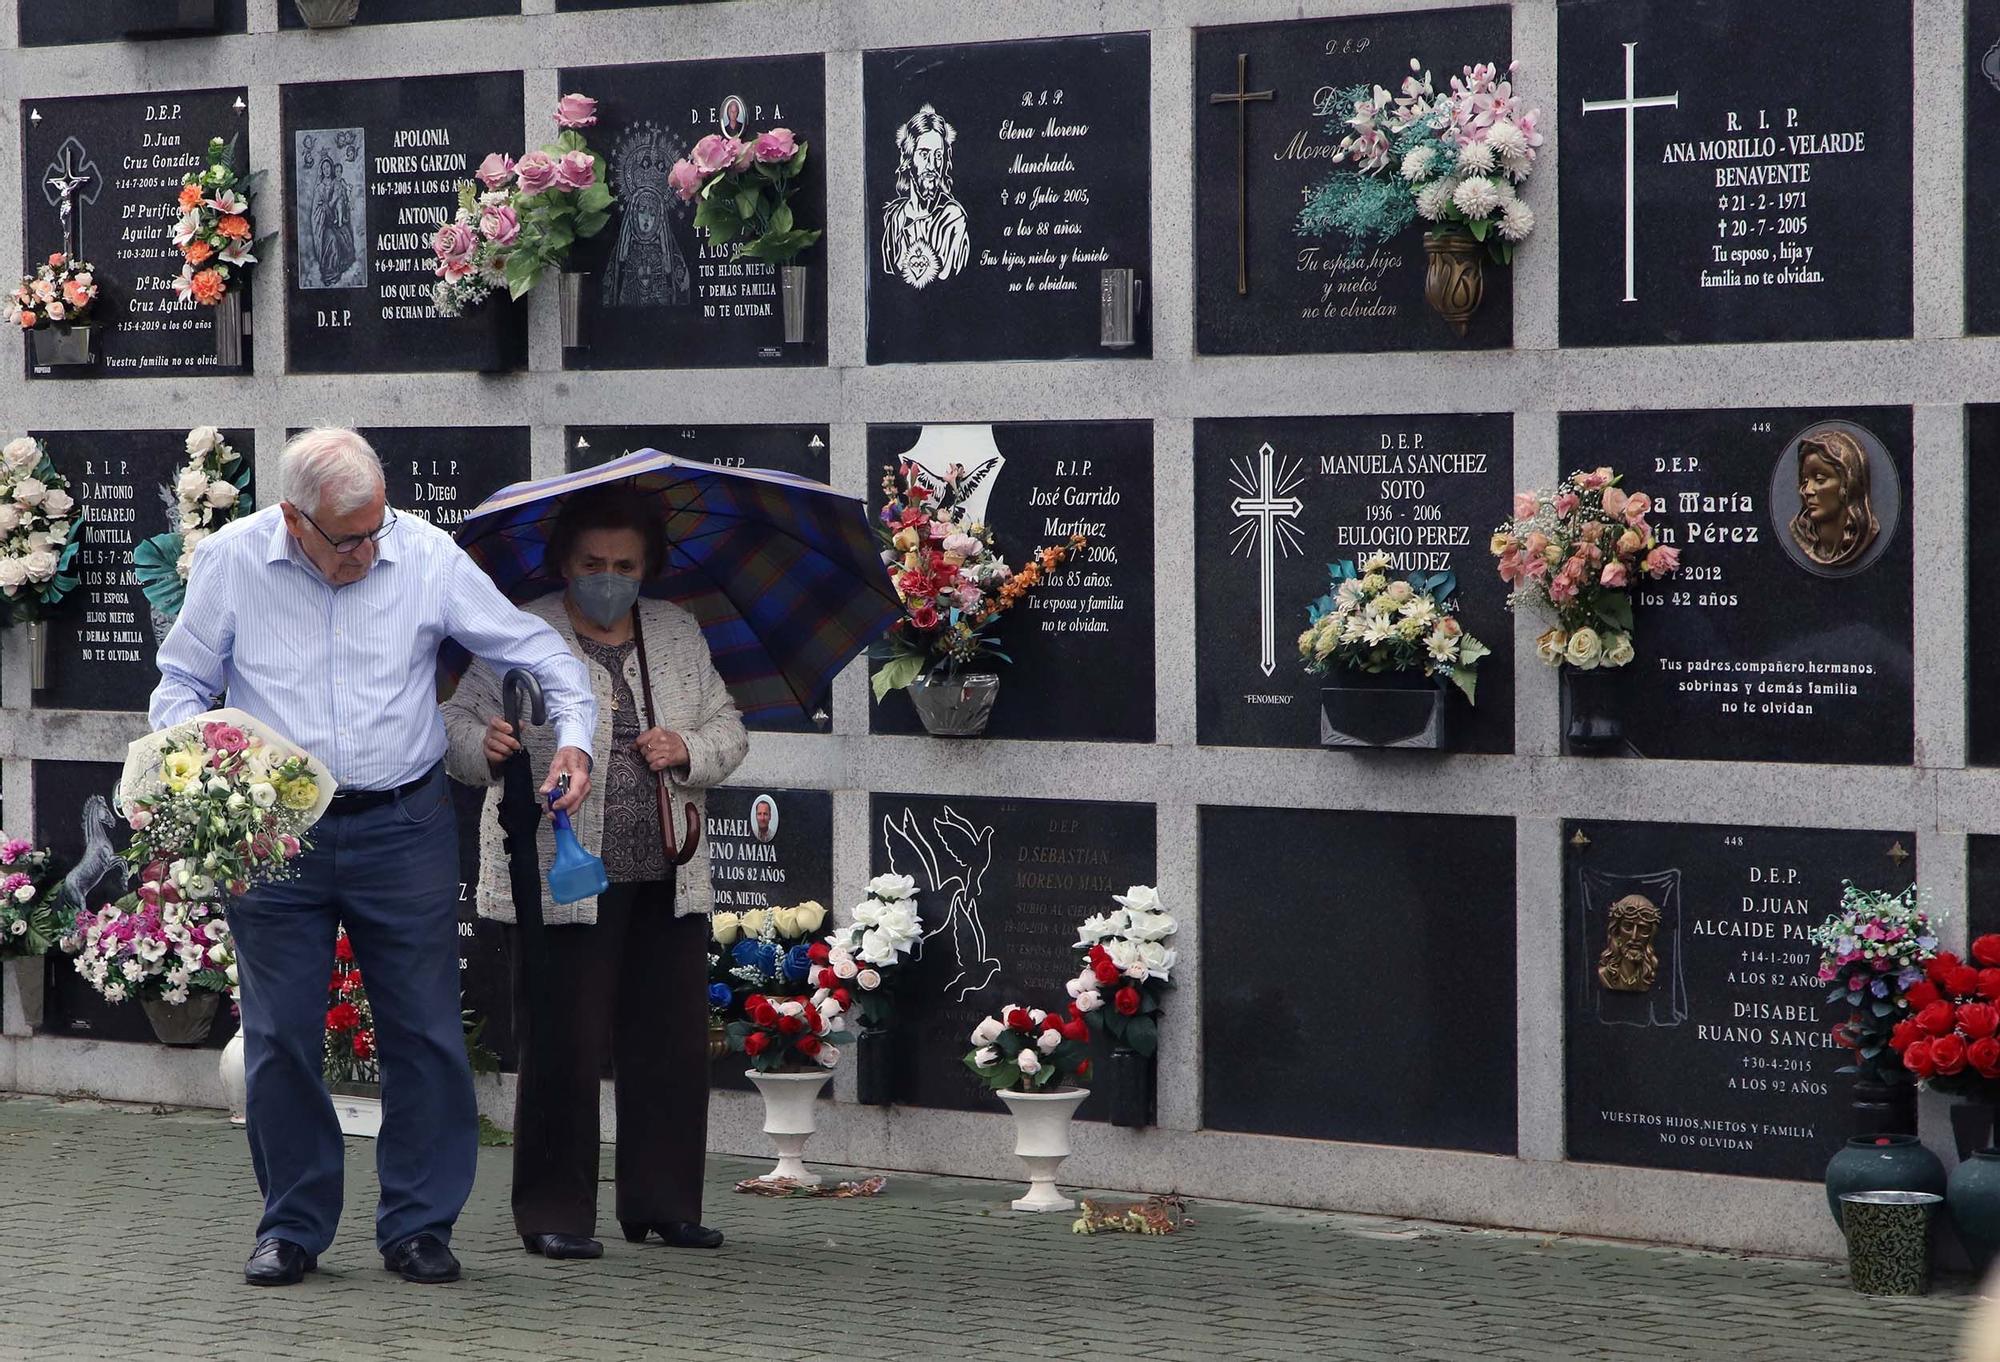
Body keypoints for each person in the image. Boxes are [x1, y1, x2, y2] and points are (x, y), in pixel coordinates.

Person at [150, 428, 596, 1289]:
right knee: (280, 1037)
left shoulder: (423, 556)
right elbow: (183, 681)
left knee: (424, 1033)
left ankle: (420, 1226)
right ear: (292, 518)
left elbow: (536, 649)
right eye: (348, 537)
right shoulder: (236, 561)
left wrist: (574, 737)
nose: (367, 550)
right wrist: (192, 765)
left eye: (376, 528)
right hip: (274, 831)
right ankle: (293, 1226)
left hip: (402, 824)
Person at [443, 488, 746, 1261]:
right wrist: (491, 744)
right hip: (558, 879)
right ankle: (554, 1211)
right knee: (561, 1047)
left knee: (671, 1047)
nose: (607, 577)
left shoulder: (676, 632)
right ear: (563, 563)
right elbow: (453, 725)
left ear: (648, 568)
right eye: (591, 563)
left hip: (666, 874)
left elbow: (729, 728)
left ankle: (665, 1205)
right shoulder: (520, 631)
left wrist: (688, 748)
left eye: (624, 564)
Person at [881, 104, 968, 289]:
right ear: (909, 158)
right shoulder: (894, 219)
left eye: (938, 155)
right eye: (924, 154)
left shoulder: (952, 218)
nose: (932, 165)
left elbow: (949, 282)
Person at [1788, 428, 1879, 570]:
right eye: (1805, 481)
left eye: (1819, 479)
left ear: (1847, 484)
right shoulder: (1802, 532)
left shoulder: (1866, 534)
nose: (1807, 490)